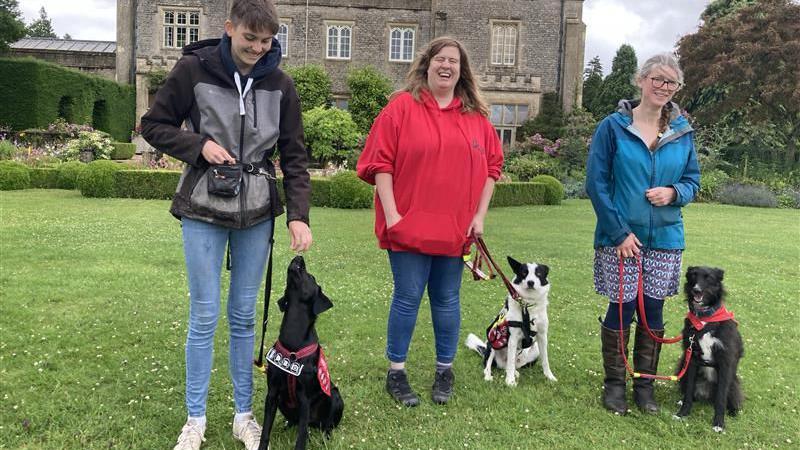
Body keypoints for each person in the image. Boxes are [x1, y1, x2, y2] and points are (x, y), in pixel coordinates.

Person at [140, 1, 312, 448]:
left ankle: (244, 415)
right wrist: (199, 145)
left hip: (256, 211)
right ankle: (194, 420)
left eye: (266, 41)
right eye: (248, 38)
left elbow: (294, 155)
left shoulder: (282, 85)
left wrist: (298, 216)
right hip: (201, 206)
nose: (257, 48)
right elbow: (153, 125)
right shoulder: (192, 70)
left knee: (242, 316)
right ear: (229, 28)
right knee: (204, 314)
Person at [356, 37, 503, 407]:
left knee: (447, 300)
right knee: (406, 299)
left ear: (461, 70)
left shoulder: (476, 120)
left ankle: (444, 371)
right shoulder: (401, 108)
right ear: (427, 64)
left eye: (454, 61)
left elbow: (492, 169)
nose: (446, 66)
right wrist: (393, 216)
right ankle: (397, 373)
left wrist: (479, 217)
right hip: (407, 227)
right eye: (440, 59)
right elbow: (380, 163)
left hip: (454, 230)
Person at [585, 53, 700, 415]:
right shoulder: (613, 127)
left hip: (665, 238)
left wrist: (674, 193)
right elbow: (596, 183)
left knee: (652, 310)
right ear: (641, 80)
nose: (664, 87)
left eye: (671, 82)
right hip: (621, 238)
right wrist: (619, 232)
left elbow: (692, 180)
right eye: (658, 79)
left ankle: (645, 387)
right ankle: (615, 385)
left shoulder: (682, 131)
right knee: (621, 308)